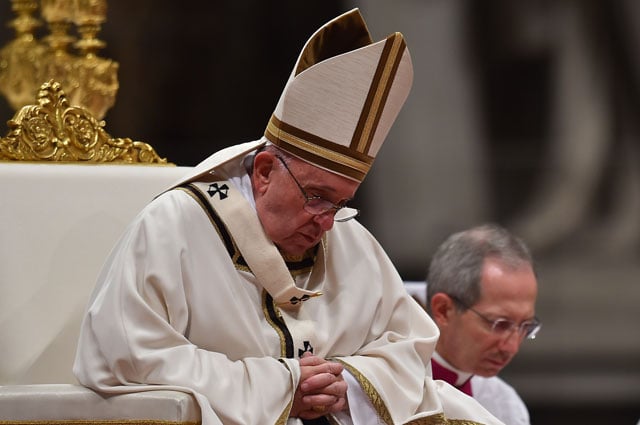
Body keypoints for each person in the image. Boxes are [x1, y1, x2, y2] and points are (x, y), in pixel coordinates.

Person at [73, 9, 504, 425]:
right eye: (316, 197)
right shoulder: (176, 226)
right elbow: (127, 354)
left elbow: (409, 348)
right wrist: (282, 386)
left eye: (340, 202)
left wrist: (348, 386)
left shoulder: (348, 237)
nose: (327, 221)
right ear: (264, 172)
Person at [425, 223, 541, 425]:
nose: (511, 348)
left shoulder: (505, 405)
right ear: (443, 310)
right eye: (500, 324)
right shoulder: (382, 386)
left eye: (525, 326)